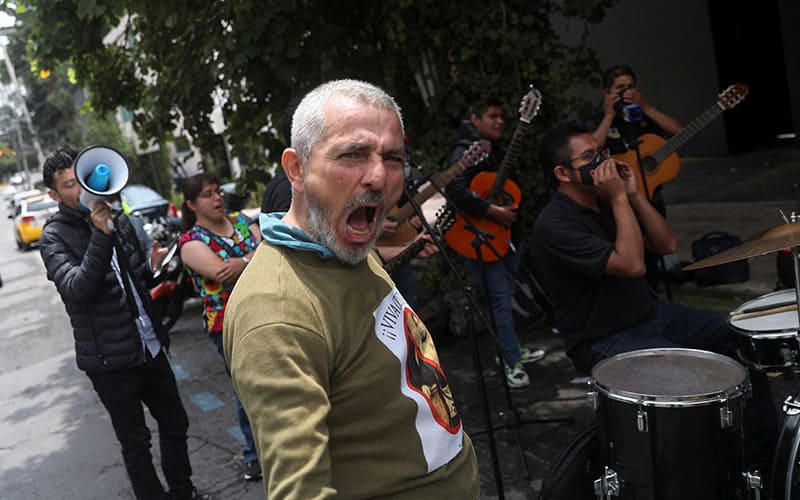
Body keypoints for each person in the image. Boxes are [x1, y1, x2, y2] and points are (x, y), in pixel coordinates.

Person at [223, 79, 479, 499]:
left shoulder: (344, 248)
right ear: (296, 169)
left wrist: (406, 249)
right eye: (353, 154)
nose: (379, 176)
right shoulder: (273, 313)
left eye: (393, 158)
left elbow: (351, 306)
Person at [532, 121, 776, 462]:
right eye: (589, 156)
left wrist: (633, 195)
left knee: (738, 338)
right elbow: (632, 265)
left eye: (601, 152)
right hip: (604, 337)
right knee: (695, 380)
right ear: (563, 173)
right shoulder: (554, 224)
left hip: (650, 313)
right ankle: (712, 464)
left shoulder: (606, 201)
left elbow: (666, 243)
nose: (602, 161)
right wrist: (618, 199)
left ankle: (765, 451)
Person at [39, 146, 206, 500]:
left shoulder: (119, 219)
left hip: (148, 344)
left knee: (176, 422)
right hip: (109, 360)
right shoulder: (54, 236)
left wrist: (153, 267)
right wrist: (100, 235)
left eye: (82, 180)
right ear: (54, 195)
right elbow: (77, 290)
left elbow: (133, 281)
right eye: (70, 185)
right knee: (136, 444)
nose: (81, 190)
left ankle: (183, 492)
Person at [444, 98, 544, 389]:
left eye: (502, 116)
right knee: (499, 301)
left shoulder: (496, 148)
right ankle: (511, 363)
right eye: (492, 116)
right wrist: (493, 211)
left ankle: (509, 349)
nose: (500, 121)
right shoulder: (465, 152)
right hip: (478, 236)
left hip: (505, 236)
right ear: (475, 120)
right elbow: (456, 190)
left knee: (505, 295)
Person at [178, 173, 263, 481]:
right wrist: (253, 257)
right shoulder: (190, 243)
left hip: (266, 308)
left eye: (217, 191)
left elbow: (272, 249)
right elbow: (220, 272)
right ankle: (255, 454)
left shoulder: (243, 221)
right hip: (228, 323)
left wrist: (242, 262)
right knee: (247, 388)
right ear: (191, 204)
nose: (217, 198)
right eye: (207, 195)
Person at [590, 65, 684, 289]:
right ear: (607, 92)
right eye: (620, 88)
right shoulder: (598, 120)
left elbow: (678, 132)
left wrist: (647, 108)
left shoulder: (643, 115)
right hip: (618, 205)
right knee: (631, 259)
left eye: (630, 87)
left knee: (655, 256)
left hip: (651, 200)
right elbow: (591, 149)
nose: (626, 92)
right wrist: (609, 115)